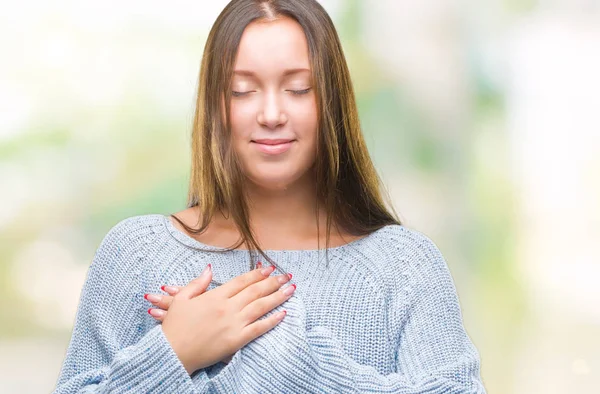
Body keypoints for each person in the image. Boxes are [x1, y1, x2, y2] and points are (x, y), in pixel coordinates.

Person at [54, 0, 487, 392]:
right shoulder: (138, 254)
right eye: (242, 90)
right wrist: (173, 353)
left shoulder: (404, 265)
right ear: (215, 106)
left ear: (332, 101)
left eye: (298, 88)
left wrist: (289, 365)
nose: (272, 114)